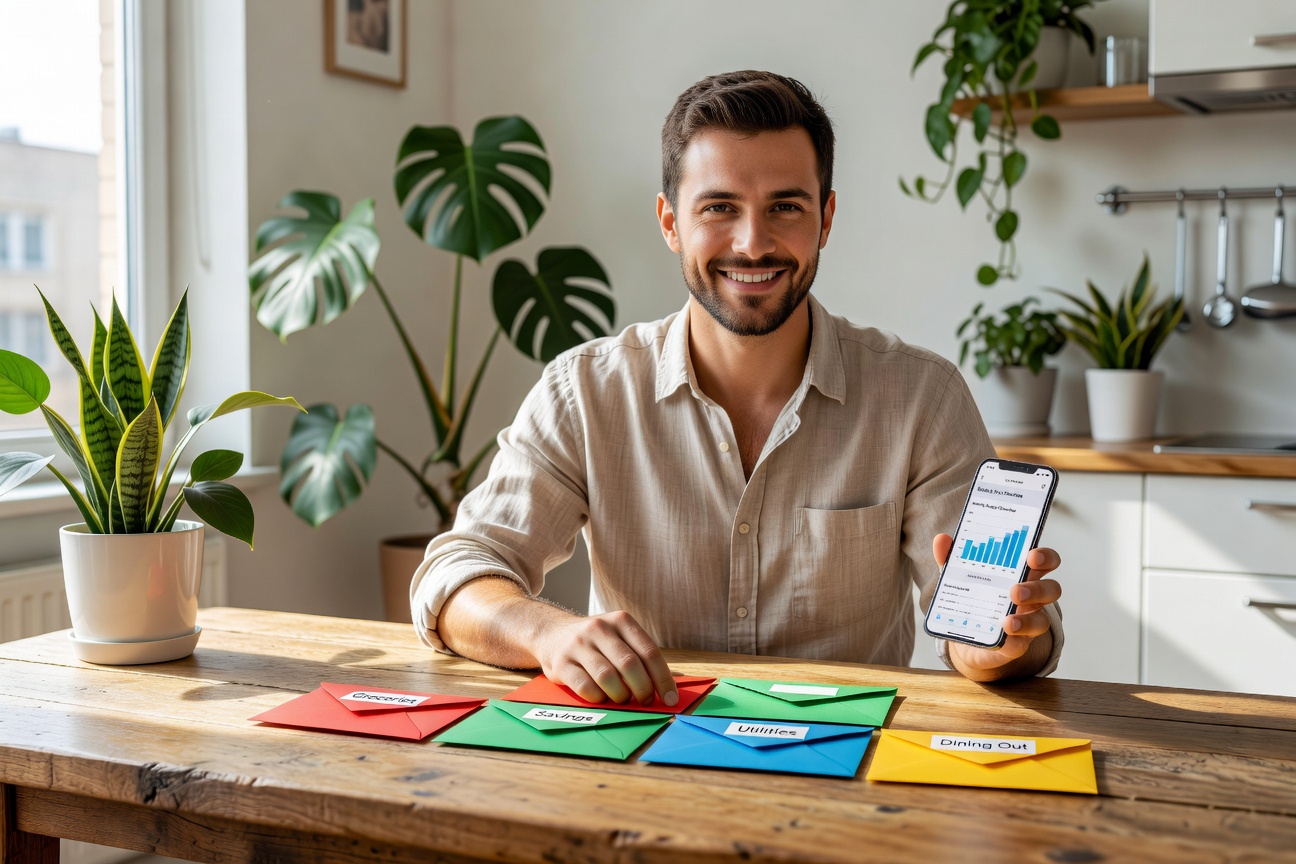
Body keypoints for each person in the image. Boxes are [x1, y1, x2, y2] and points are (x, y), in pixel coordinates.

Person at [411, 70, 1064, 707]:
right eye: (720, 208)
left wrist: (1001, 647)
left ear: (826, 219)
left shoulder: (922, 397)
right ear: (670, 222)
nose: (753, 244)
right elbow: (454, 575)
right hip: (642, 768)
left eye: (785, 207)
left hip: (848, 773)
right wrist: (548, 633)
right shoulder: (586, 391)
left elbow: (999, 640)